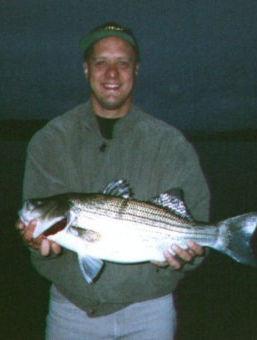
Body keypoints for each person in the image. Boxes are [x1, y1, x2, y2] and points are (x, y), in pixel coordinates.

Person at [17, 22, 210, 340]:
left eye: (122, 63)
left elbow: (195, 221)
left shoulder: (170, 144)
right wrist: (37, 244)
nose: (111, 73)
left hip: (150, 310)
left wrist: (188, 256)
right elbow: (42, 239)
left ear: (136, 69)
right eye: (100, 62)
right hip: (72, 310)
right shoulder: (50, 140)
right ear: (85, 69)